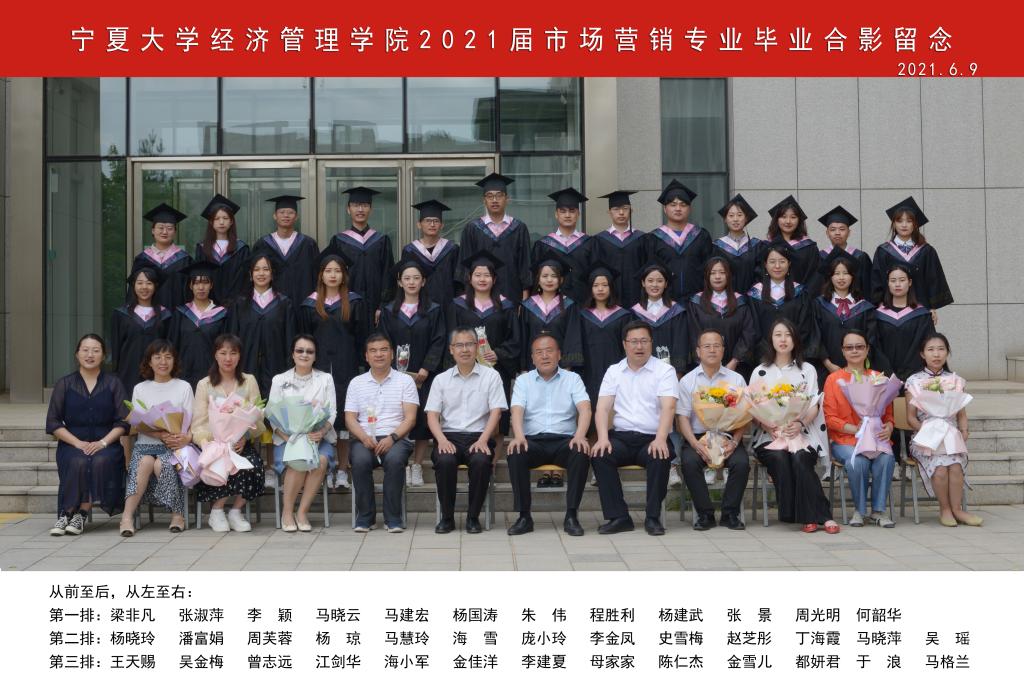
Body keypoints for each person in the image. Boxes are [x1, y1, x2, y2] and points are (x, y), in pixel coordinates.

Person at [590, 320, 678, 536]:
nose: (639, 346)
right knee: (600, 454)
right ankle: (619, 517)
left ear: (651, 343)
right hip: (621, 437)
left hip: (653, 437)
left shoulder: (665, 370)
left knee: (660, 455)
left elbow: (669, 407)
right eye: (634, 341)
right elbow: (602, 408)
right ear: (624, 344)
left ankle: (652, 517)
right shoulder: (614, 371)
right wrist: (602, 438)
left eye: (644, 341)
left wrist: (661, 438)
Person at [750, 319, 838, 533]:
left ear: (795, 340)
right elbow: (752, 408)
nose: (783, 339)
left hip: (802, 433)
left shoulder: (807, 370)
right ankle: (809, 515)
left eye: (788, 335)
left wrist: (799, 423)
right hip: (770, 437)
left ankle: (813, 516)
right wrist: (767, 426)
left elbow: (814, 405)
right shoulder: (760, 371)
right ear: (771, 340)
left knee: (800, 458)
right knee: (780, 458)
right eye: (778, 334)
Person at [507, 333, 592, 536]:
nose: (544, 356)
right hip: (533, 441)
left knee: (580, 451)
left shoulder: (573, 379)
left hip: (564, 441)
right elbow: (516, 411)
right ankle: (524, 516)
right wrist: (518, 436)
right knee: (516, 452)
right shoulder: (523, 381)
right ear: (533, 358)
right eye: (539, 352)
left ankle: (571, 515)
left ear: (559, 354)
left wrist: (580, 436)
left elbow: (585, 409)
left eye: (549, 351)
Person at [426, 327, 508, 534]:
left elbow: (496, 412)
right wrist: (441, 440)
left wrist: (483, 440)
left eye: (469, 344)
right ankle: (447, 518)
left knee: (481, 461)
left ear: (477, 347)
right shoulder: (441, 379)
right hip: (449, 436)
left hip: (479, 435)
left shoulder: (491, 376)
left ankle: (473, 517)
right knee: (445, 461)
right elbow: (432, 415)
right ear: (451, 349)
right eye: (459, 345)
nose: (465, 350)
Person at [298, 253, 369, 491]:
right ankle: (325, 468)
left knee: (343, 420)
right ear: (321, 275)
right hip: (317, 370)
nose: (333, 275)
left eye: (337, 271)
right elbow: (304, 339)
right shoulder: (309, 305)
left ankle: (342, 470)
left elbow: (362, 338)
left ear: (344, 275)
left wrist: (362, 368)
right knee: (320, 418)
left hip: (347, 368)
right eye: (328, 271)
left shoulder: (355, 302)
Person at [46, 334, 129, 537]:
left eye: (95, 350)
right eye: (85, 350)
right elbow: (53, 423)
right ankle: (66, 513)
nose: (90, 355)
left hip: (107, 444)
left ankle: (81, 513)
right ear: (77, 354)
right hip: (72, 444)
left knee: (99, 460)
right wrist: (78, 443)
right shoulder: (64, 384)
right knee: (78, 460)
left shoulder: (113, 383)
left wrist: (102, 443)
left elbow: (123, 422)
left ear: (103, 356)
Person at [447, 251, 521, 463]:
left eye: (487, 275)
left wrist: (498, 352)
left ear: (494, 279)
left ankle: (492, 465)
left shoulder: (505, 306)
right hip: (465, 371)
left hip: (496, 369)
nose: (482, 279)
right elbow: (450, 336)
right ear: (469, 278)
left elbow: (515, 339)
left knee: (497, 415)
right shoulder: (458, 305)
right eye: (477, 275)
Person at [378, 259, 446, 488]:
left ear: (423, 281)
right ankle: (400, 462)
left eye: (416, 278)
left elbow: (439, 339)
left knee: (423, 418)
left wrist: (427, 367)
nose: (411, 282)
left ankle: (416, 464)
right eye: (407, 278)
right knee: (399, 416)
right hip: (394, 375)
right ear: (399, 282)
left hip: (424, 376)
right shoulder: (389, 311)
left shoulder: (433, 310)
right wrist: (390, 369)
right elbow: (384, 341)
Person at [676, 329, 752, 531]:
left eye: (717, 346)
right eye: (707, 346)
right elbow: (682, 418)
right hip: (697, 437)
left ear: (723, 350)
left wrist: (735, 442)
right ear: (698, 351)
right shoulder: (688, 381)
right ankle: (705, 514)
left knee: (741, 463)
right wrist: (695, 444)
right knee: (690, 462)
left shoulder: (736, 379)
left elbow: (744, 416)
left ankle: (730, 514)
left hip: (728, 436)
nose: (712, 350)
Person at [905, 333, 983, 527]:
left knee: (955, 467)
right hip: (925, 438)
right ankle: (945, 509)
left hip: (950, 435)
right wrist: (928, 433)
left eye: (941, 349)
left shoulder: (955, 380)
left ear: (947, 352)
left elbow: (961, 413)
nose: (936, 354)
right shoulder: (914, 381)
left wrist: (964, 430)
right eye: (931, 350)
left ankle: (958, 510)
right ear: (922, 354)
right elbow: (910, 418)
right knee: (940, 469)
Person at [192, 334, 266, 532]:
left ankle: (235, 511)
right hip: (213, 445)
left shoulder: (248, 381)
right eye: (223, 353)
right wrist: (211, 443)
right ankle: (216, 512)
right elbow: (198, 424)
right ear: (215, 355)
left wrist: (245, 437)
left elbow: (259, 420)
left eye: (233, 353)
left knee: (253, 465)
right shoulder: (204, 384)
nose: (228, 358)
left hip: (240, 444)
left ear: (239, 356)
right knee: (222, 462)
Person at [345, 334, 419, 532]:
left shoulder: (405, 381)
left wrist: (392, 438)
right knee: (360, 461)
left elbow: (410, 418)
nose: (379, 354)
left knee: (394, 461)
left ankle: (393, 518)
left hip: (396, 438)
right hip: (364, 438)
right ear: (366, 356)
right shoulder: (356, 383)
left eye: (384, 350)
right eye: (373, 351)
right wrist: (363, 437)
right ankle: (365, 517)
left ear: (392, 354)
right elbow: (350, 418)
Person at [823, 330, 897, 528]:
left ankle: (878, 511)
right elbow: (830, 418)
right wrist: (855, 429)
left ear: (867, 350)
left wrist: (889, 427)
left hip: (876, 437)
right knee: (858, 461)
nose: (854, 351)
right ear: (843, 351)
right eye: (849, 347)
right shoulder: (834, 380)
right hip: (845, 439)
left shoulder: (878, 378)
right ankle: (860, 511)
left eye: (859, 347)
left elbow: (888, 414)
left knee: (887, 458)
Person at [120, 340, 193, 536]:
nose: (163, 362)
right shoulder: (140, 388)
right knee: (143, 462)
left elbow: (190, 421)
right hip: (145, 444)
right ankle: (126, 518)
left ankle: (177, 515)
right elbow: (137, 423)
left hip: (173, 446)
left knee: (163, 464)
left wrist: (183, 438)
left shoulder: (184, 387)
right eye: (158, 357)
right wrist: (158, 434)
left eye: (168, 357)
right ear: (149, 362)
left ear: (174, 361)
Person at [873, 263, 937, 476]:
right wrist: (889, 372)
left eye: (902, 280)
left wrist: (910, 373)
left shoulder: (921, 314)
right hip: (886, 374)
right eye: (893, 280)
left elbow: (926, 345)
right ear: (887, 284)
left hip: (914, 374)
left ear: (910, 283)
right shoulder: (877, 314)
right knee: (888, 415)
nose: (897, 284)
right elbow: (875, 346)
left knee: (912, 413)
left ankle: (910, 459)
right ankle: (891, 459)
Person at [268, 335, 336, 532]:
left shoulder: (325, 379)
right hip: (287, 439)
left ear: (315, 356)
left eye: (309, 351)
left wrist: (322, 431)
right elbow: (271, 414)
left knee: (320, 460)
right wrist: (287, 437)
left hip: (317, 437)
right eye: (300, 350)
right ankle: (287, 512)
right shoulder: (280, 380)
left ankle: (302, 512)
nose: (304, 355)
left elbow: (332, 412)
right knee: (298, 457)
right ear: (292, 354)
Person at [870, 196, 953, 324]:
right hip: (890, 311)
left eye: (909, 221)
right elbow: (877, 281)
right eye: (899, 221)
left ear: (915, 224)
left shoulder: (926, 251)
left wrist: (932, 307)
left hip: (920, 309)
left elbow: (933, 280)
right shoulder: (883, 251)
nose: (904, 225)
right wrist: (880, 305)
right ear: (894, 224)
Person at [227, 253, 297, 398]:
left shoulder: (284, 304)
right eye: (257, 269)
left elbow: (290, 341)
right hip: (246, 368)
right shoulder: (240, 304)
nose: (261, 273)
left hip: (276, 368)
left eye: (266, 269)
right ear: (250, 274)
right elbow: (232, 340)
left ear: (272, 274)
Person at [457, 173, 532, 302]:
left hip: (512, 294)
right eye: (490, 196)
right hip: (479, 298)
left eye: (499, 195)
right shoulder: (472, 229)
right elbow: (465, 267)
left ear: (507, 199)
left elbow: (525, 265)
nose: (494, 200)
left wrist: (524, 300)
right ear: (484, 200)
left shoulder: (519, 228)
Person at [321, 186, 395, 318]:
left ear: (370, 209)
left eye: (365, 205)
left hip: (375, 307)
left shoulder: (382, 240)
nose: (360, 209)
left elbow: (387, 274)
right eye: (355, 205)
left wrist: (383, 305)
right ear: (348, 209)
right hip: (346, 305)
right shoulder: (338, 241)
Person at [746, 243, 820, 365]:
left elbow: (805, 326)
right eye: (772, 262)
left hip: (794, 356)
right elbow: (753, 328)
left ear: (789, 264)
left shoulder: (800, 292)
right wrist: (767, 353)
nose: (777, 266)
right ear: (765, 264)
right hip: (763, 358)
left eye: (782, 261)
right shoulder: (755, 293)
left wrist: (791, 350)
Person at [685, 257, 758, 374]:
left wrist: (735, 360)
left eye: (722, 272)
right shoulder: (696, 303)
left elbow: (748, 333)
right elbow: (694, 334)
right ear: (707, 276)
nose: (717, 276)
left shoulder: (740, 302)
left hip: (735, 368)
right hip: (705, 367)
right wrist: (707, 362)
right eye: (713, 273)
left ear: (729, 276)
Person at [645, 179, 712, 300]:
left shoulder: (701, 236)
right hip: (665, 302)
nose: (678, 208)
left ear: (689, 208)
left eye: (683, 204)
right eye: (673, 204)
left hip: (697, 301)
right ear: (665, 209)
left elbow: (709, 270)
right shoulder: (654, 238)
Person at [110, 266, 171, 395]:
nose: (144, 287)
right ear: (133, 285)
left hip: (157, 373)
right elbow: (116, 349)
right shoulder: (121, 314)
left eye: (149, 283)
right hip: (128, 373)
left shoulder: (165, 315)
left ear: (155, 286)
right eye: (140, 283)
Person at [579, 263, 633, 407]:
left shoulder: (623, 315)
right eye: (596, 285)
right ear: (590, 289)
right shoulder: (582, 316)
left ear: (611, 288)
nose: (600, 289)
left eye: (605, 285)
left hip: (616, 368)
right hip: (589, 370)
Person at [814, 257, 876, 383]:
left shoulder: (865, 307)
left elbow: (871, 338)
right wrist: (828, 364)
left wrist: (858, 365)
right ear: (830, 277)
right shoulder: (819, 304)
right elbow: (815, 336)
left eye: (845, 273)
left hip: (858, 370)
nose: (841, 278)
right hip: (826, 369)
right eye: (837, 273)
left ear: (852, 276)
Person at [250, 195, 319, 306]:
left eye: (290, 212)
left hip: (302, 303)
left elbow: (316, 276)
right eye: (282, 212)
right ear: (275, 216)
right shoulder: (263, 244)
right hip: (271, 305)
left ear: (296, 217)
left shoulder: (308, 244)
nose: (286, 215)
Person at [531, 187, 596, 303]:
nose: (567, 215)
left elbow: (595, 276)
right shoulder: (544, 245)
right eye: (563, 211)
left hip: (583, 303)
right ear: (556, 214)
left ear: (578, 214)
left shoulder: (589, 243)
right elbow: (535, 278)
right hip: (552, 305)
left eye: (572, 211)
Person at [169, 261, 229, 388]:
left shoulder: (222, 314)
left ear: (211, 285)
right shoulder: (181, 313)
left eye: (205, 282)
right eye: (196, 283)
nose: (201, 287)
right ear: (190, 286)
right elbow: (173, 345)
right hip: (183, 375)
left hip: (213, 375)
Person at [520, 253, 583, 370]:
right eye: (545, 276)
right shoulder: (528, 306)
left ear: (561, 280)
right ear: (538, 279)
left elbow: (572, 338)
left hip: (561, 369)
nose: (549, 280)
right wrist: (523, 368)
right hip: (533, 368)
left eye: (554, 276)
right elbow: (523, 338)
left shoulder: (569, 306)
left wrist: (567, 369)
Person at [630, 262, 689, 376]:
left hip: (669, 372)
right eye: (650, 281)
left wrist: (678, 372)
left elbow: (680, 344)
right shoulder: (635, 313)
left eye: (660, 281)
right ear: (643, 283)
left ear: (666, 284)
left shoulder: (676, 312)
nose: (655, 285)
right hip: (641, 371)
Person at [132, 202, 193, 311]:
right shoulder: (142, 259)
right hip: (147, 316)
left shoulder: (185, 260)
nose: (165, 232)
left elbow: (189, 293)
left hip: (176, 315)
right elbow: (133, 291)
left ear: (175, 232)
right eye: (160, 227)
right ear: (153, 230)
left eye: (169, 228)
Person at [401, 200, 461, 309]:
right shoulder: (410, 251)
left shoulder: (452, 249)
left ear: (442, 225)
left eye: (436, 221)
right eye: (428, 221)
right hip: (419, 307)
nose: (432, 224)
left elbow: (458, 281)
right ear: (419, 225)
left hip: (448, 306)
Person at [194, 194, 249, 306]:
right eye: (217, 218)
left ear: (231, 221)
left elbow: (244, 280)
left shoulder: (241, 249)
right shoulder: (202, 248)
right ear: (211, 222)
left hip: (235, 305)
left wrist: (234, 302)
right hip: (208, 305)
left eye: (225, 218)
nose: (221, 222)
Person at [594, 190, 646, 308]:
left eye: (625, 208)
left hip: (636, 295)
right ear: (609, 212)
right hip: (609, 295)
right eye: (616, 209)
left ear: (631, 211)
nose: (621, 213)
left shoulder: (642, 238)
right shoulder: (600, 240)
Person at [765, 194, 821, 295]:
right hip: (771, 299)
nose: (788, 221)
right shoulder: (767, 246)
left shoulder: (809, 248)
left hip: (802, 300)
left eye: (793, 217)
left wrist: (803, 298)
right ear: (776, 220)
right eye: (783, 217)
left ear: (799, 220)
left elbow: (815, 278)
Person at [816, 205, 872, 302]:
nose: (837, 233)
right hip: (827, 306)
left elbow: (868, 287)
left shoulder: (860, 257)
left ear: (849, 232)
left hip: (857, 306)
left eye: (842, 229)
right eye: (833, 229)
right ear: (827, 233)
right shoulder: (820, 257)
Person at [711, 193, 764, 296]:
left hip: (751, 299)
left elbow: (761, 275)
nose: (735, 219)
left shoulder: (757, 246)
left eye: (739, 215)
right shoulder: (716, 246)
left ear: (746, 218)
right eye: (731, 215)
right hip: (725, 299)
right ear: (725, 219)